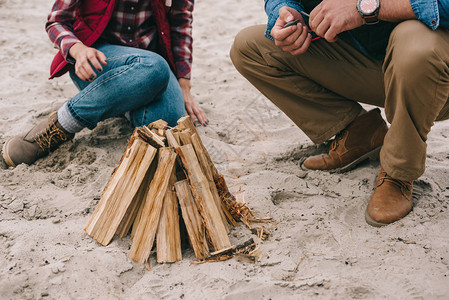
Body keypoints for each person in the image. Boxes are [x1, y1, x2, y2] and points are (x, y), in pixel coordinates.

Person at [230, 0, 449, 226]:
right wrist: (284, 13)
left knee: (414, 42)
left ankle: (399, 171)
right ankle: (359, 133)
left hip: (433, 71)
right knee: (250, 47)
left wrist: (365, 7)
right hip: (372, 61)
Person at [2, 0, 208, 168]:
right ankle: (60, 125)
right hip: (98, 61)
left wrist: (184, 86)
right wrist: (77, 49)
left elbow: (181, 24)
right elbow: (57, 22)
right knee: (154, 67)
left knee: (167, 128)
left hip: (152, 69)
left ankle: (123, 101)